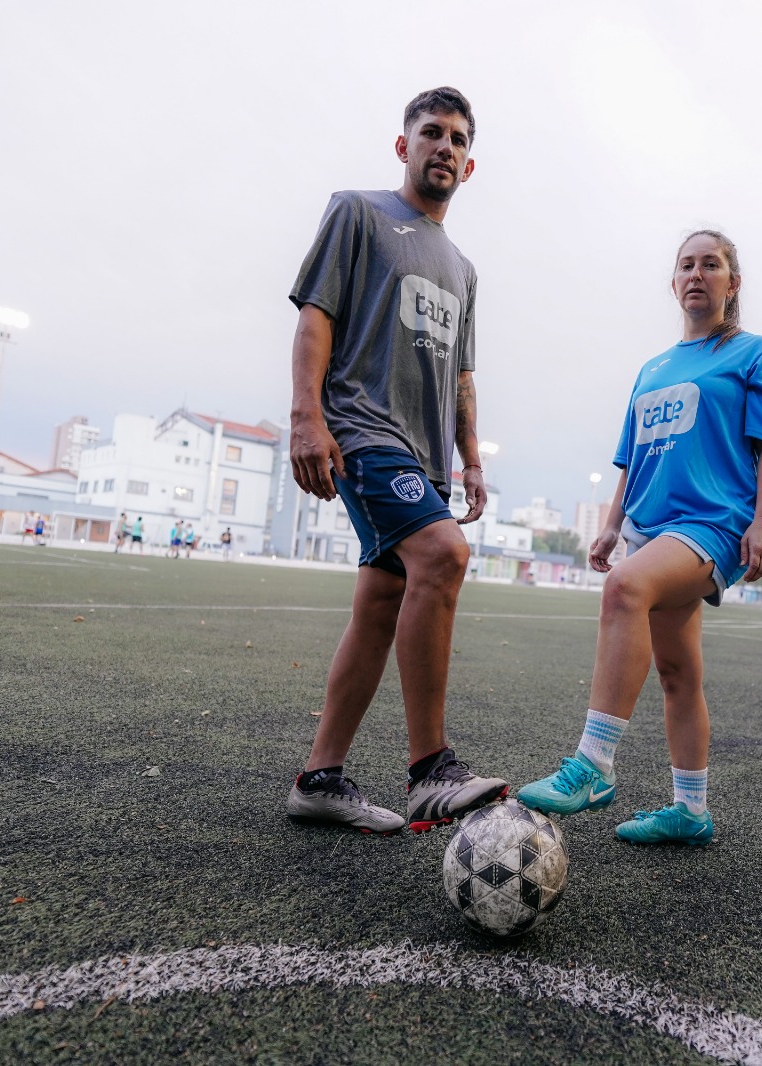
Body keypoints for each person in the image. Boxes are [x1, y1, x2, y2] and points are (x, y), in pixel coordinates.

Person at [518, 229, 762, 846]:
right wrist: (613, 524)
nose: (697, 274)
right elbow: (630, 456)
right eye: (686, 265)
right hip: (648, 528)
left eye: (712, 264)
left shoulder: (754, 354)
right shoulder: (653, 369)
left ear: (733, 282)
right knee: (678, 673)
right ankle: (690, 811)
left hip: (712, 524)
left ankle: (592, 765)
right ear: (673, 283)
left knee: (624, 590)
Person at [284, 87, 506, 836]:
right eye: (431, 132)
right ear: (403, 145)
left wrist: (471, 461)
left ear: (469, 166)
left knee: (380, 607)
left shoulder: (464, 270)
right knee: (443, 554)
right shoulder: (358, 212)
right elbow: (318, 316)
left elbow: (464, 377)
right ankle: (429, 771)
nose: (444, 146)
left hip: (427, 455)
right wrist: (306, 417)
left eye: (457, 139)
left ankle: (319, 779)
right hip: (361, 427)